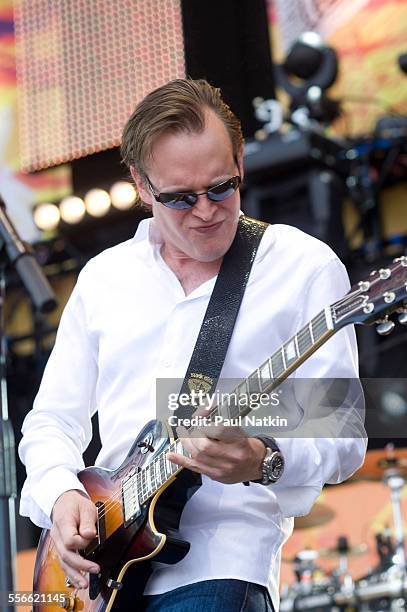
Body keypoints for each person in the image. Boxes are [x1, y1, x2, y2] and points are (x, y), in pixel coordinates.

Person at [19, 78, 366, 611]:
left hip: (223, 559)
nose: (206, 211)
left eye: (222, 187)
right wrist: (62, 493)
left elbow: (341, 432)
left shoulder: (302, 267)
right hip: (100, 572)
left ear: (240, 161)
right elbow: (51, 422)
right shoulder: (103, 278)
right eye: (180, 198)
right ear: (140, 184)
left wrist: (261, 458)